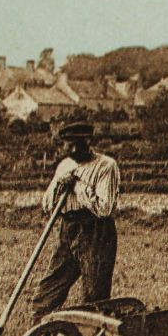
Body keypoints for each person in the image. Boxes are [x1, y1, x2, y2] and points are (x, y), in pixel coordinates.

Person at [29, 119, 121, 318]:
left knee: (94, 297)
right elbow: (48, 204)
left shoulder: (106, 166)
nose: (69, 149)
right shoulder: (64, 165)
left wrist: (78, 185)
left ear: (88, 141)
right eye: (66, 144)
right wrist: (59, 185)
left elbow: (104, 209)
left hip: (96, 231)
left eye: (75, 144)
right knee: (47, 292)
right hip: (67, 228)